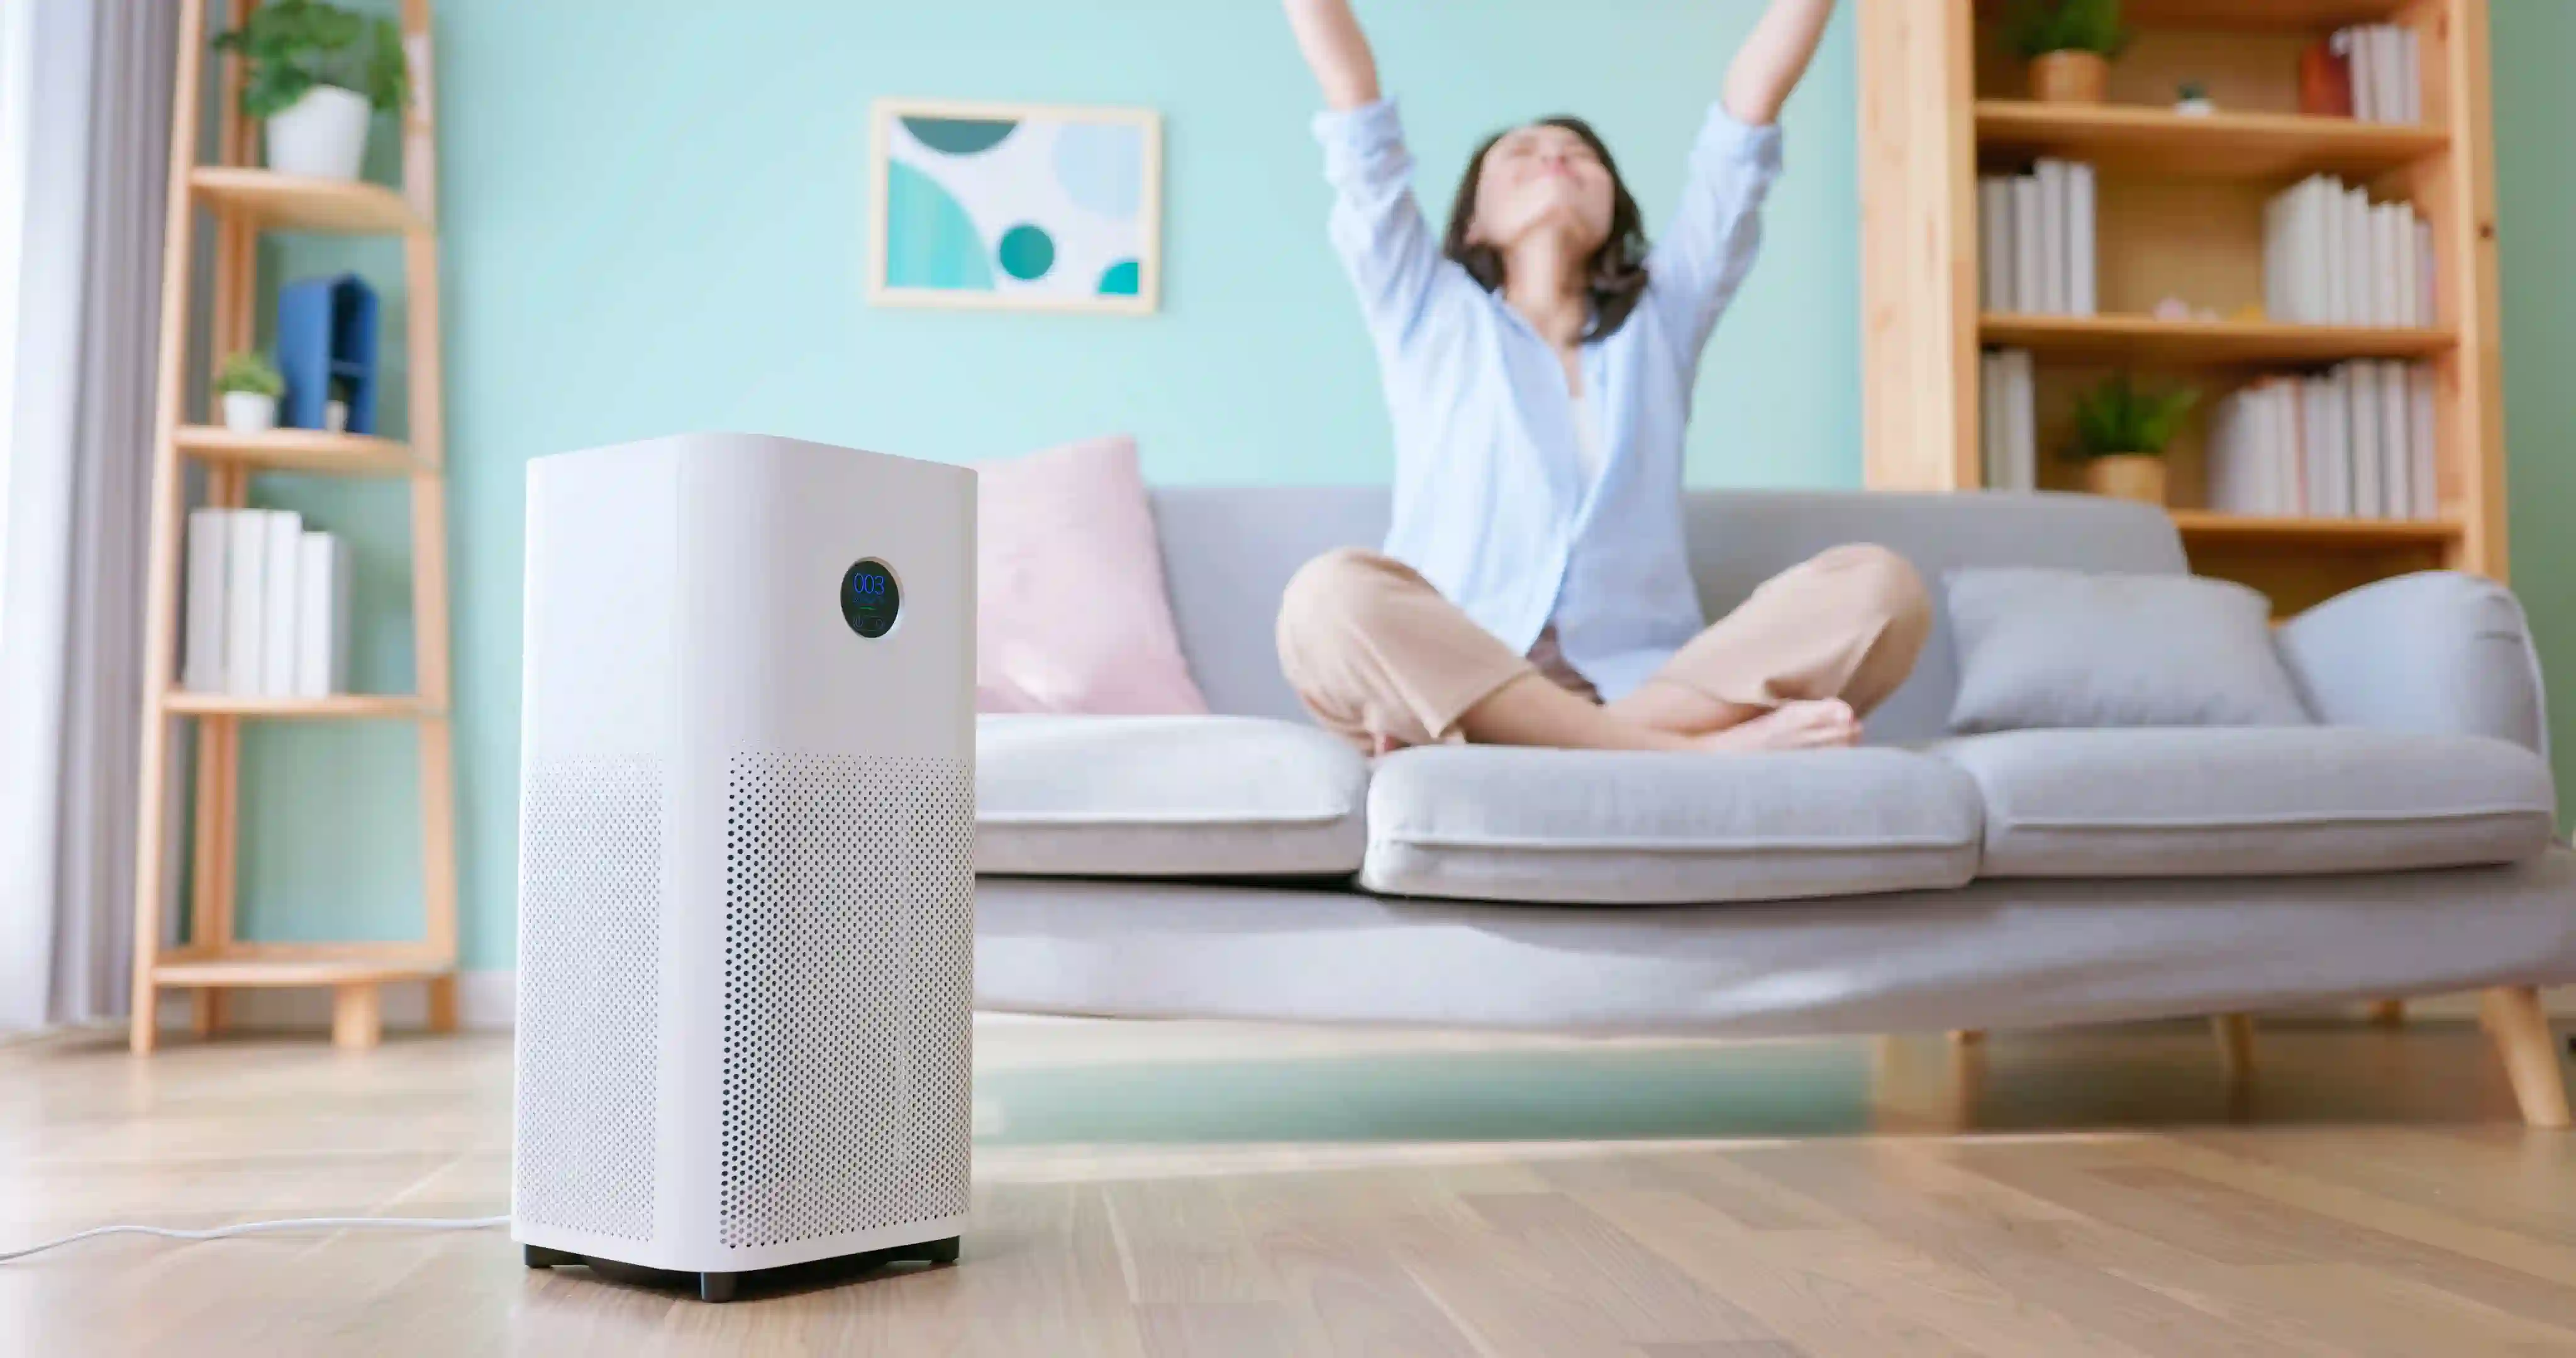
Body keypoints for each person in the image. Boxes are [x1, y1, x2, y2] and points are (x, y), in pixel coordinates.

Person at [1275, 0, 1931, 756]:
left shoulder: (1665, 313)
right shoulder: (1426, 309)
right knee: (1325, 600)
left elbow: (1745, 128)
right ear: (1472, 225)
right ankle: (1687, 757)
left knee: (1881, 591)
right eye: (1521, 153)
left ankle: (1543, 744)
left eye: (1580, 157)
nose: (1554, 158)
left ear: (1614, 210)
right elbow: (1356, 115)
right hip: (1461, 663)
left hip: (1644, 684)